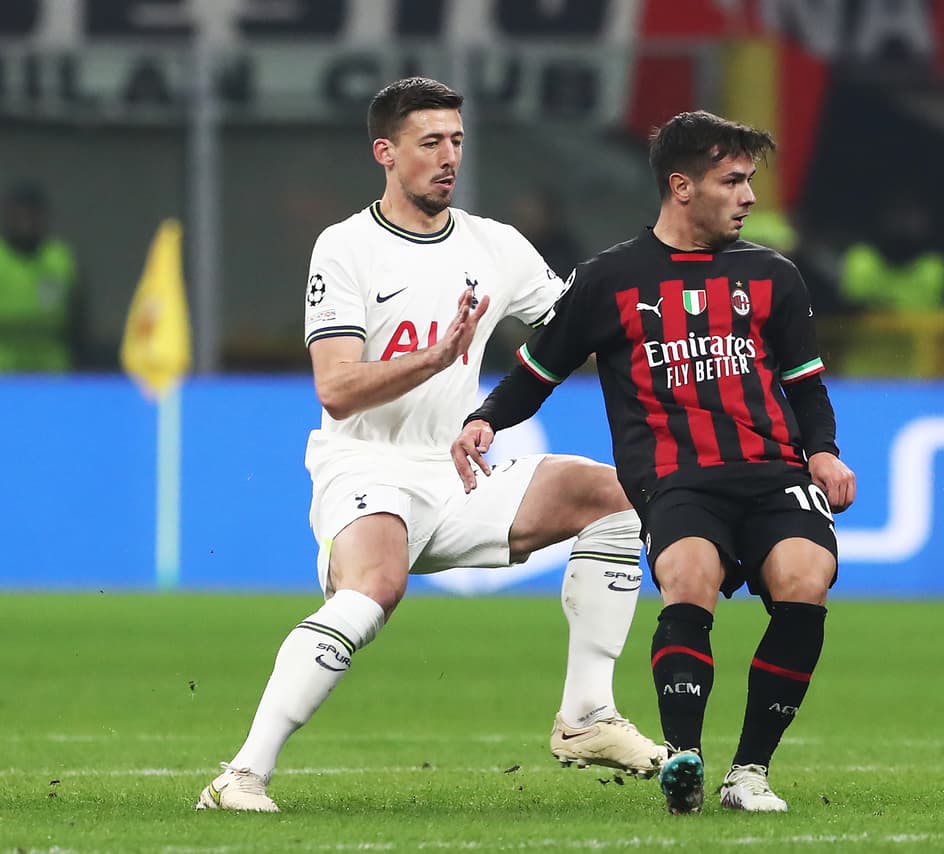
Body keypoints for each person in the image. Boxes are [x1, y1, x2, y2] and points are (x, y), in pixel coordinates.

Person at [196, 77, 664, 813]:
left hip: (457, 470)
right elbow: (337, 388)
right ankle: (241, 775)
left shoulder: (496, 246)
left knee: (617, 498)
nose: (448, 157)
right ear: (385, 152)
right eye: (429, 143)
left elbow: (582, 331)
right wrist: (434, 359)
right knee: (374, 590)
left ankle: (587, 716)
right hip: (366, 465)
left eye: (456, 142)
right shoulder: (346, 246)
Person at [452, 111, 856, 815]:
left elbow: (805, 385)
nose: (749, 197)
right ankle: (687, 762)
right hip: (676, 479)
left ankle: (750, 772)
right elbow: (539, 368)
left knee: (807, 579)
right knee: (689, 577)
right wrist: (487, 417)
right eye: (732, 181)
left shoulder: (773, 276)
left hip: (772, 472)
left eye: (749, 181)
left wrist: (821, 450)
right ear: (682, 187)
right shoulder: (609, 279)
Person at [0, 183, 81, 371]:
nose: (25, 222)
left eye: (31, 215)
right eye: (19, 215)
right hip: (4, 360)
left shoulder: (60, 258)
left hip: (50, 363)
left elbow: (78, 314)